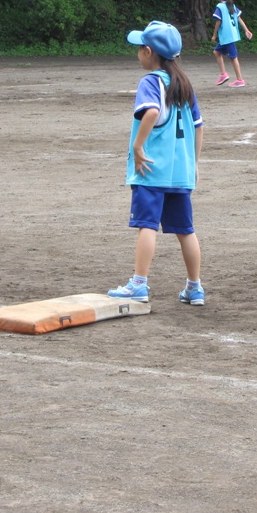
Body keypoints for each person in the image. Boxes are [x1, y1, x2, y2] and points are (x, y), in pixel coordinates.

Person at [108, 21, 206, 306]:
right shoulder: (184, 84)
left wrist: (138, 146)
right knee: (185, 230)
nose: (138, 53)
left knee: (147, 225)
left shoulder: (151, 81)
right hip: (180, 172)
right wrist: (194, 163)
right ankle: (194, 287)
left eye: (140, 48)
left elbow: (151, 112)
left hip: (151, 170)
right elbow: (199, 127)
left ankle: (139, 284)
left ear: (149, 52)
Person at [210, 0, 253, 87]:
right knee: (216, 52)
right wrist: (246, 29)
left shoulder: (220, 7)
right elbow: (238, 18)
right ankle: (223, 74)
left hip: (227, 36)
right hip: (230, 36)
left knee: (233, 57)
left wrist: (214, 35)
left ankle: (239, 79)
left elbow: (218, 22)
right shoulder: (231, 6)